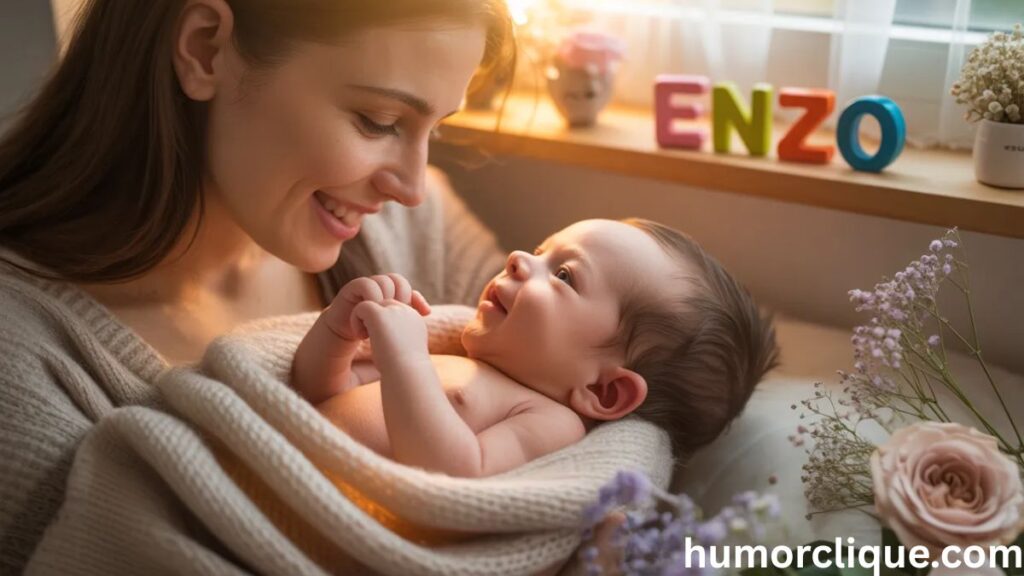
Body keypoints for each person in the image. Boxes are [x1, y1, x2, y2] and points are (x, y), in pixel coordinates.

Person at [0, 0, 520, 572]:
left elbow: (586, 378)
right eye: (379, 121)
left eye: (436, 129)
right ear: (205, 49)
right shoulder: (22, 365)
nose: (411, 187)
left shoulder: (411, 230)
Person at [292, 218, 780, 477]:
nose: (519, 258)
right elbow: (317, 392)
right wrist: (338, 332)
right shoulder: (454, 358)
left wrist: (406, 360)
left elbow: (454, 474)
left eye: (564, 275)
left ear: (604, 390)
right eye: (542, 250)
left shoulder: (548, 421)